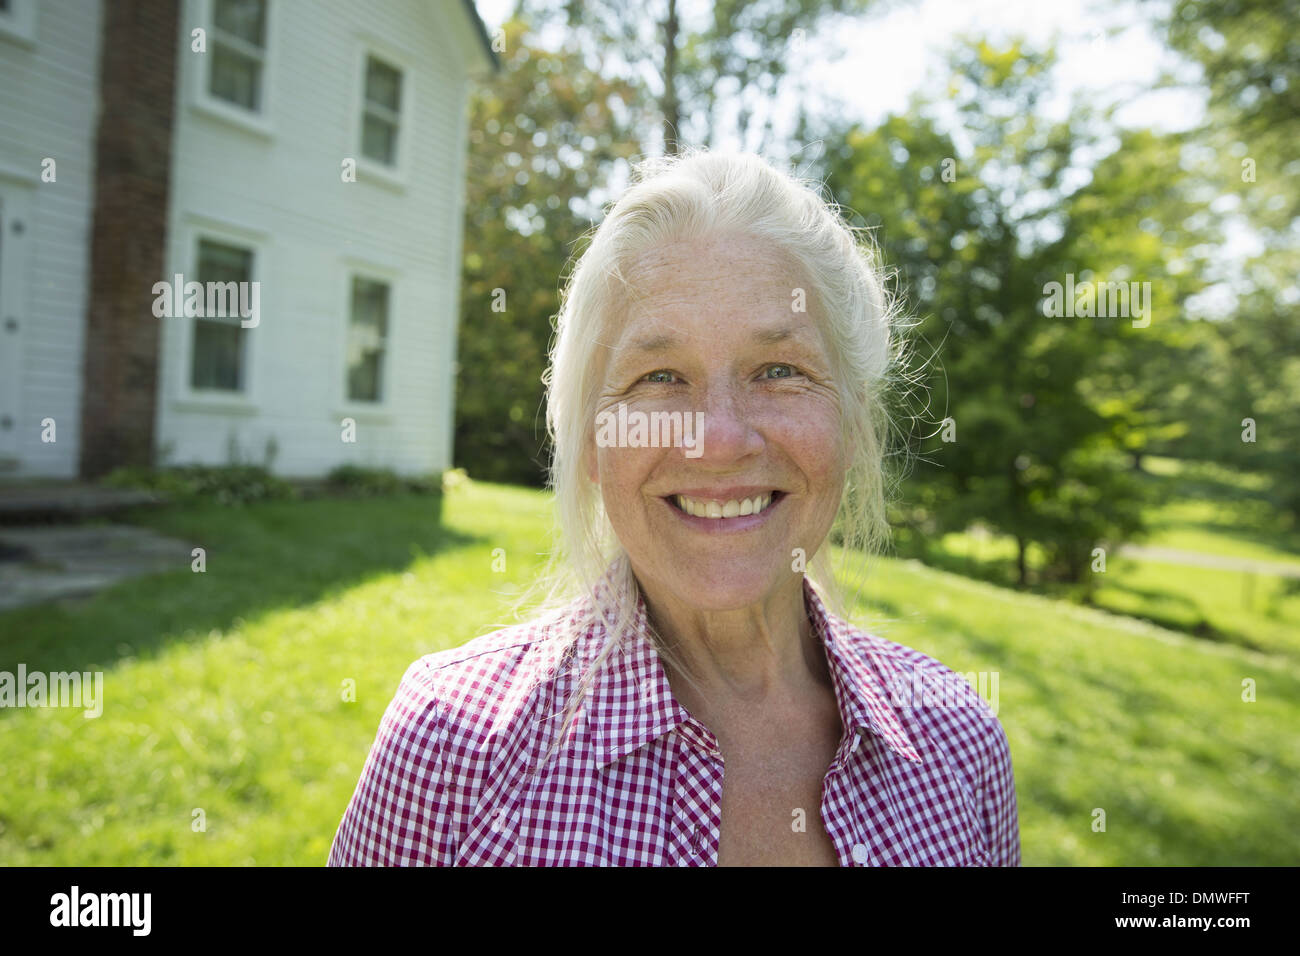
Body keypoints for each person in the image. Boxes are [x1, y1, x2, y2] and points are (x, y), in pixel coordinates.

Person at [328, 148, 1020, 866]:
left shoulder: (959, 744)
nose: (718, 440)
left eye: (779, 371)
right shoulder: (449, 751)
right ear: (592, 442)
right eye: (659, 376)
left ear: (850, 424)